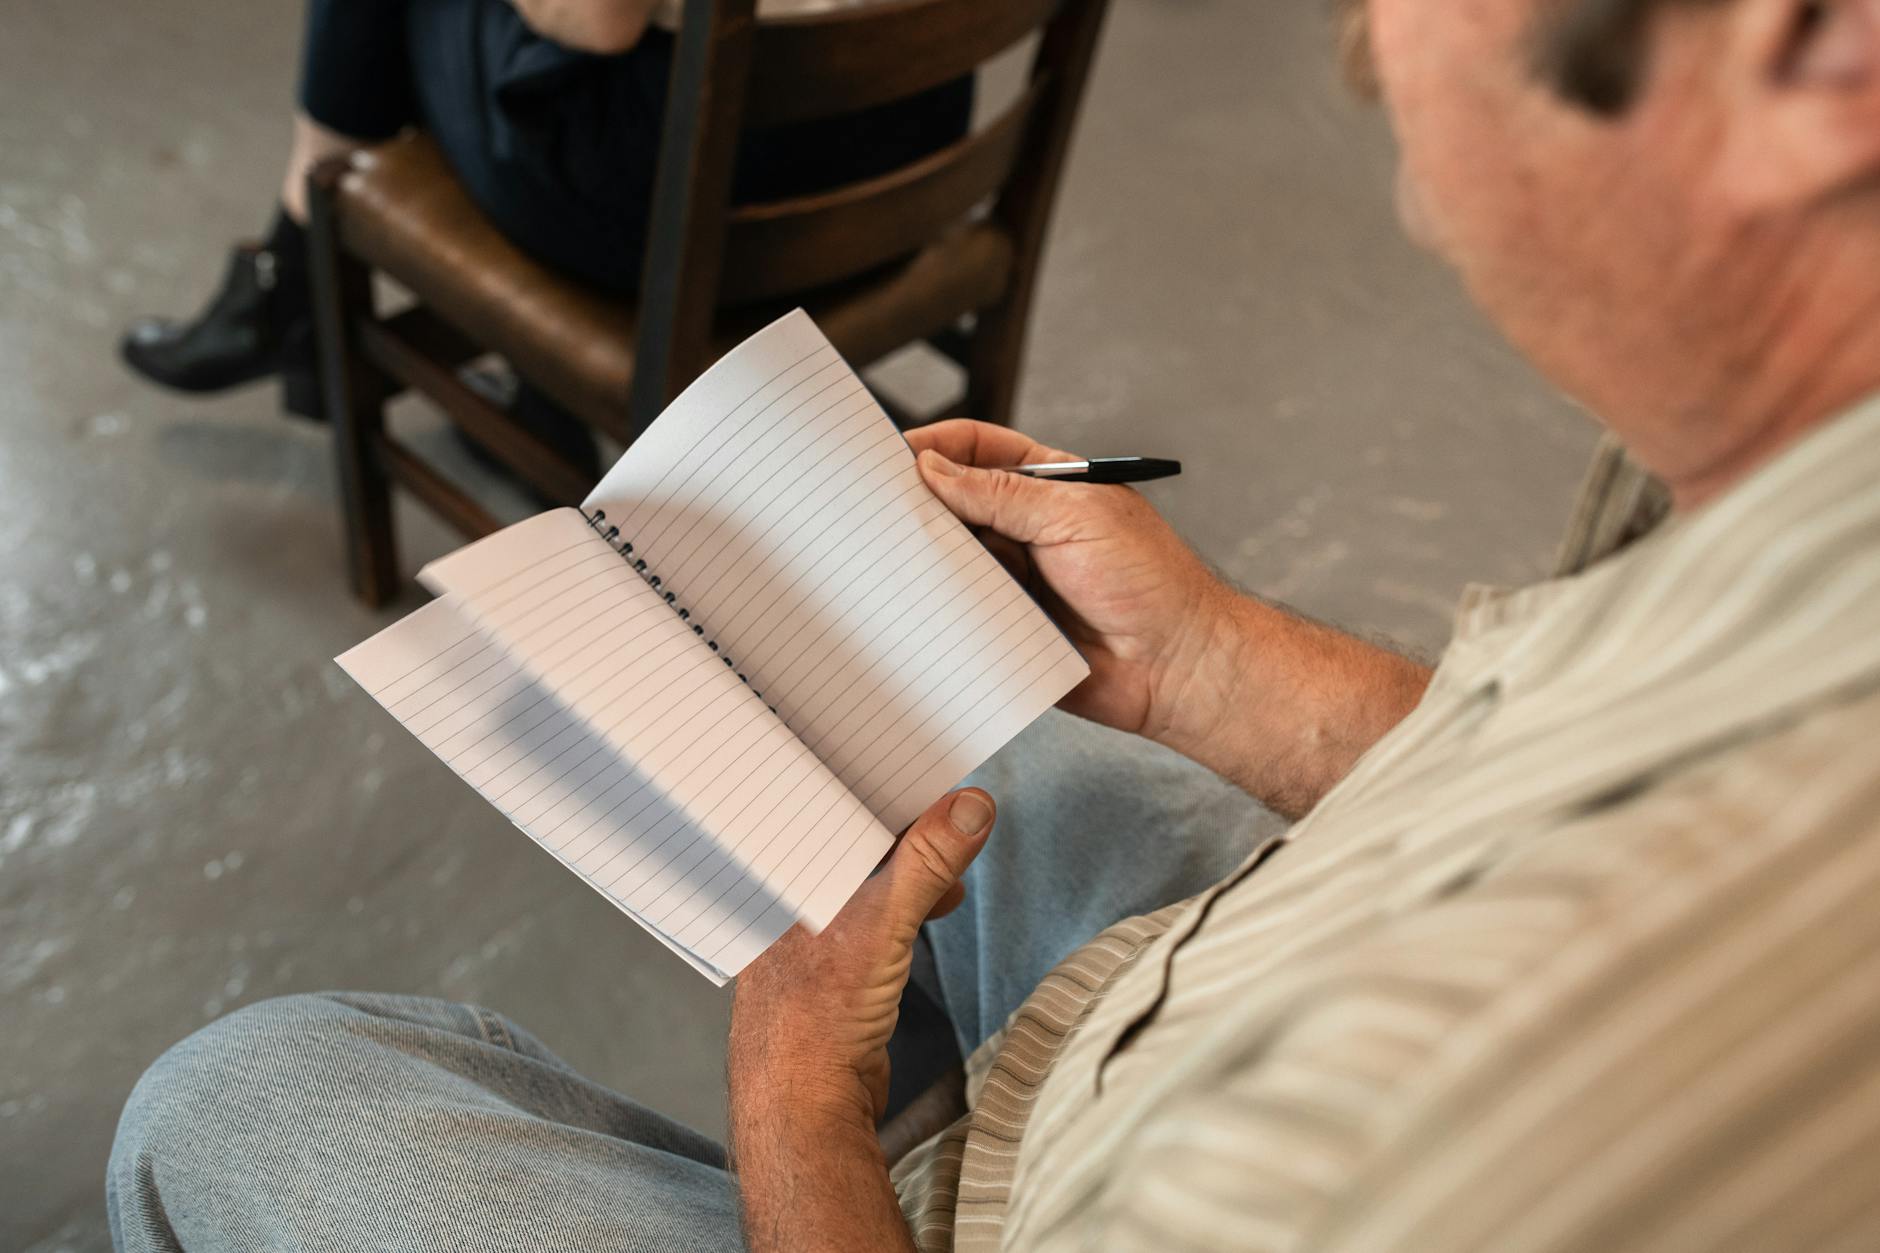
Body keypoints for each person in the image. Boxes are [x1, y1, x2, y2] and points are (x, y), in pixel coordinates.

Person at [110, 0, 1880, 1249]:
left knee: (237, 1098)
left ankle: (302, 242)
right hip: (1214, 998)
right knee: (988, 706)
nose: (1353, 38)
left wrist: (802, 1106)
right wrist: (1212, 663)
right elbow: (1550, 763)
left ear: (1820, 55)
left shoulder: (1463, 1133)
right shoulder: (1788, 502)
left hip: (1115, 1176)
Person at [118, 0, 969, 471]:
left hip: (702, 208)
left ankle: (293, 275)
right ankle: (298, 288)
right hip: (920, 155)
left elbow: (595, 21)